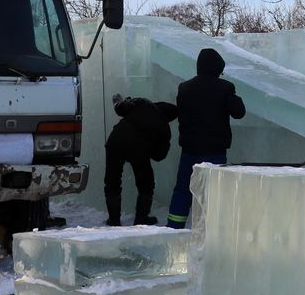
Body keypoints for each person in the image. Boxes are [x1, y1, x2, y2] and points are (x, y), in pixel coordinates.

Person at [166, 47, 246, 229]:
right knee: (212, 193)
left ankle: (173, 229)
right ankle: (208, 231)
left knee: (183, 190)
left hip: (189, 151)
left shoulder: (184, 88)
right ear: (218, 68)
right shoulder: (225, 88)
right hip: (214, 152)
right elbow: (239, 113)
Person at [103, 95, 178, 226]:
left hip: (116, 141)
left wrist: (118, 101)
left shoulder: (142, 103)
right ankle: (141, 218)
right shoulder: (164, 128)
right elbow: (159, 156)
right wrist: (151, 145)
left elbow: (120, 109)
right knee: (146, 183)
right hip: (139, 149)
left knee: (112, 180)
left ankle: (114, 219)